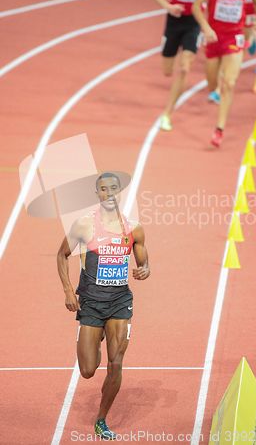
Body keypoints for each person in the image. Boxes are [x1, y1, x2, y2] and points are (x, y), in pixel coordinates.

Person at [57, 171, 150, 440]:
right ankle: (93, 337)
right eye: (103, 189)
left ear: (119, 192)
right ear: (97, 194)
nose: (109, 194)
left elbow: (144, 261)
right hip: (91, 302)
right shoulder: (84, 226)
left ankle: (101, 419)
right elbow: (62, 255)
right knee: (87, 370)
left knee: (116, 363)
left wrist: (145, 269)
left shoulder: (133, 228)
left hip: (120, 302)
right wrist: (67, 291)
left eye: (113, 188)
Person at [192, 0, 256, 147]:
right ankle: (214, 89)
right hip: (214, 38)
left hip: (235, 37)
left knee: (229, 84)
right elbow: (197, 6)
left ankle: (219, 129)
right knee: (213, 85)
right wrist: (206, 28)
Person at [150, 0, 214, 131]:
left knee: (185, 68)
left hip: (194, 22)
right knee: (167, 70)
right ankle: (173, 57)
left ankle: (167, 114)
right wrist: (168, 6)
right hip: (174, 21)